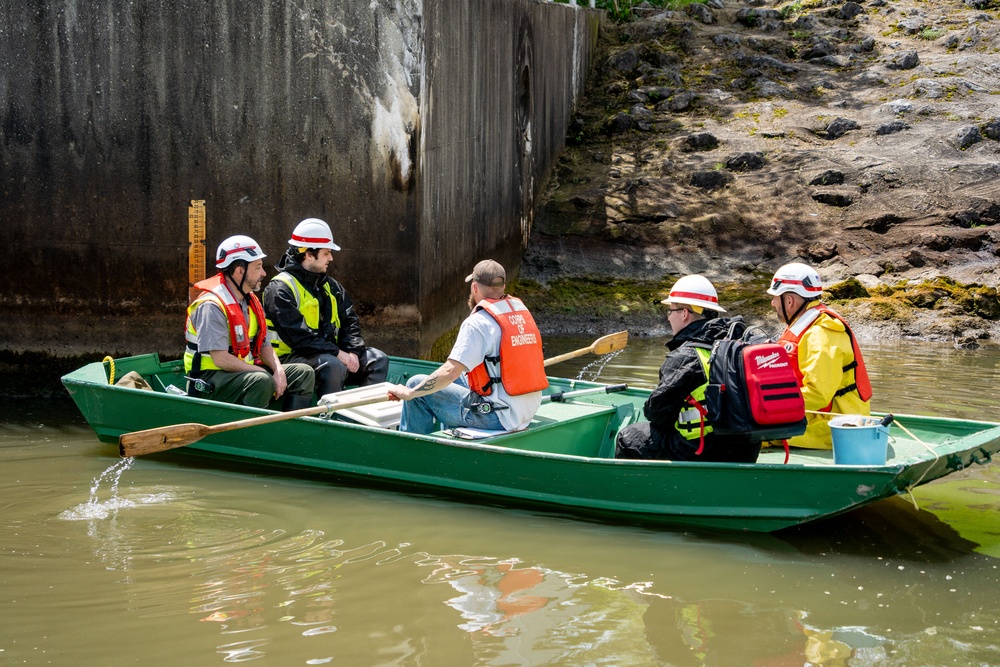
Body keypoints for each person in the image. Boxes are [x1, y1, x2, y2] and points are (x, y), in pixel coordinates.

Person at [388, 259, 548, 435]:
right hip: (527, 410)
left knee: (416, 383)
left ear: (474, 287)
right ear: (502, 286)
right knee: (463, 376)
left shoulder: (477, 323)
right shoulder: (521, 312)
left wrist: (410, 393)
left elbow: (450, 371)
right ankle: (450, 438)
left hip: (496, 416)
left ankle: (414, 451)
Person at [615, 275, 760, 462]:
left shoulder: (687, 356)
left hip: (704, 451)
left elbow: (656, 413)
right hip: (746, 450)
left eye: (671, 310)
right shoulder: (738, 345)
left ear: (684, 313)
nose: (668, 317)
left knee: (630, 437)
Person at [184, 235, 315, 409]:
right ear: (240, 270)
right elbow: (220, 359)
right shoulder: (211, 306)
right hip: (208, 379)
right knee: (261, 380)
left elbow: (263, 346)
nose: (264, 273)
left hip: (241, 374)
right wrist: (262, 372)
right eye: (258, 267)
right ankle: (250, 432)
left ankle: (292, 426)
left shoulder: (250, 301)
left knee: (304, 373)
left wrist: (278, 370)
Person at [262, 218, 388, 397]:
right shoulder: (279, 289)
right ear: (308, 254)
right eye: (326, 253)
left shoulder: (330, 286)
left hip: (327, 354)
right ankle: (329, 418)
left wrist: (352, 351)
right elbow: (299, 338)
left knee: (378, 359)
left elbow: (350, 322)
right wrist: (338, 354)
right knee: (332, 365)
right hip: (290, 358)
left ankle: (358, 417)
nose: (331, 258)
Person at [766, 262, 872, 449]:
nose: (773, 303)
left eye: (775, 298)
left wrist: (771, 407)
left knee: (747, 436)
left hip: (832, 426)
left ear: (789, 301)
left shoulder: (820, 333)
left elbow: (818, 395)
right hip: (816, 417)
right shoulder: (808, 325)